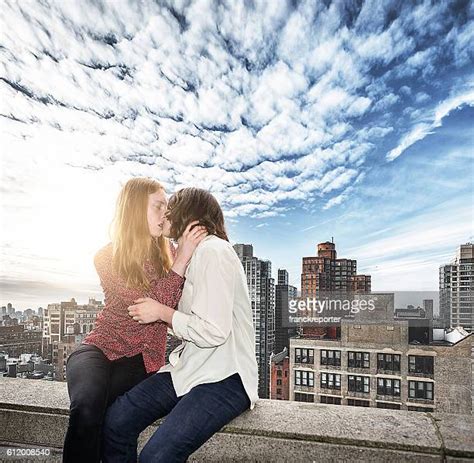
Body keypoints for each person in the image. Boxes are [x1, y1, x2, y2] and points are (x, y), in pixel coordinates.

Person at [101, 187, 259, 463]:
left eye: (172, 207)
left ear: (189, 215)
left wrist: (162, 312)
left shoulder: (214, 252)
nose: (166, 214)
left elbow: (213, 330)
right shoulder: (191, 256)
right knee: (117, 420)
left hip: (225, 378)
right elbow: (190, 322)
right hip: (189, 369)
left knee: (157, 457)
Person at [62, 178, 208, 463]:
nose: (166, 213)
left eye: (167, 207)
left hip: (141, 359)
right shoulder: (106, 256)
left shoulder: (173, 253)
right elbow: (144, 306)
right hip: (98, 349)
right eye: (158, 206)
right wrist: (180, 262)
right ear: (134, 210)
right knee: (86, 408)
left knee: (107, 412)